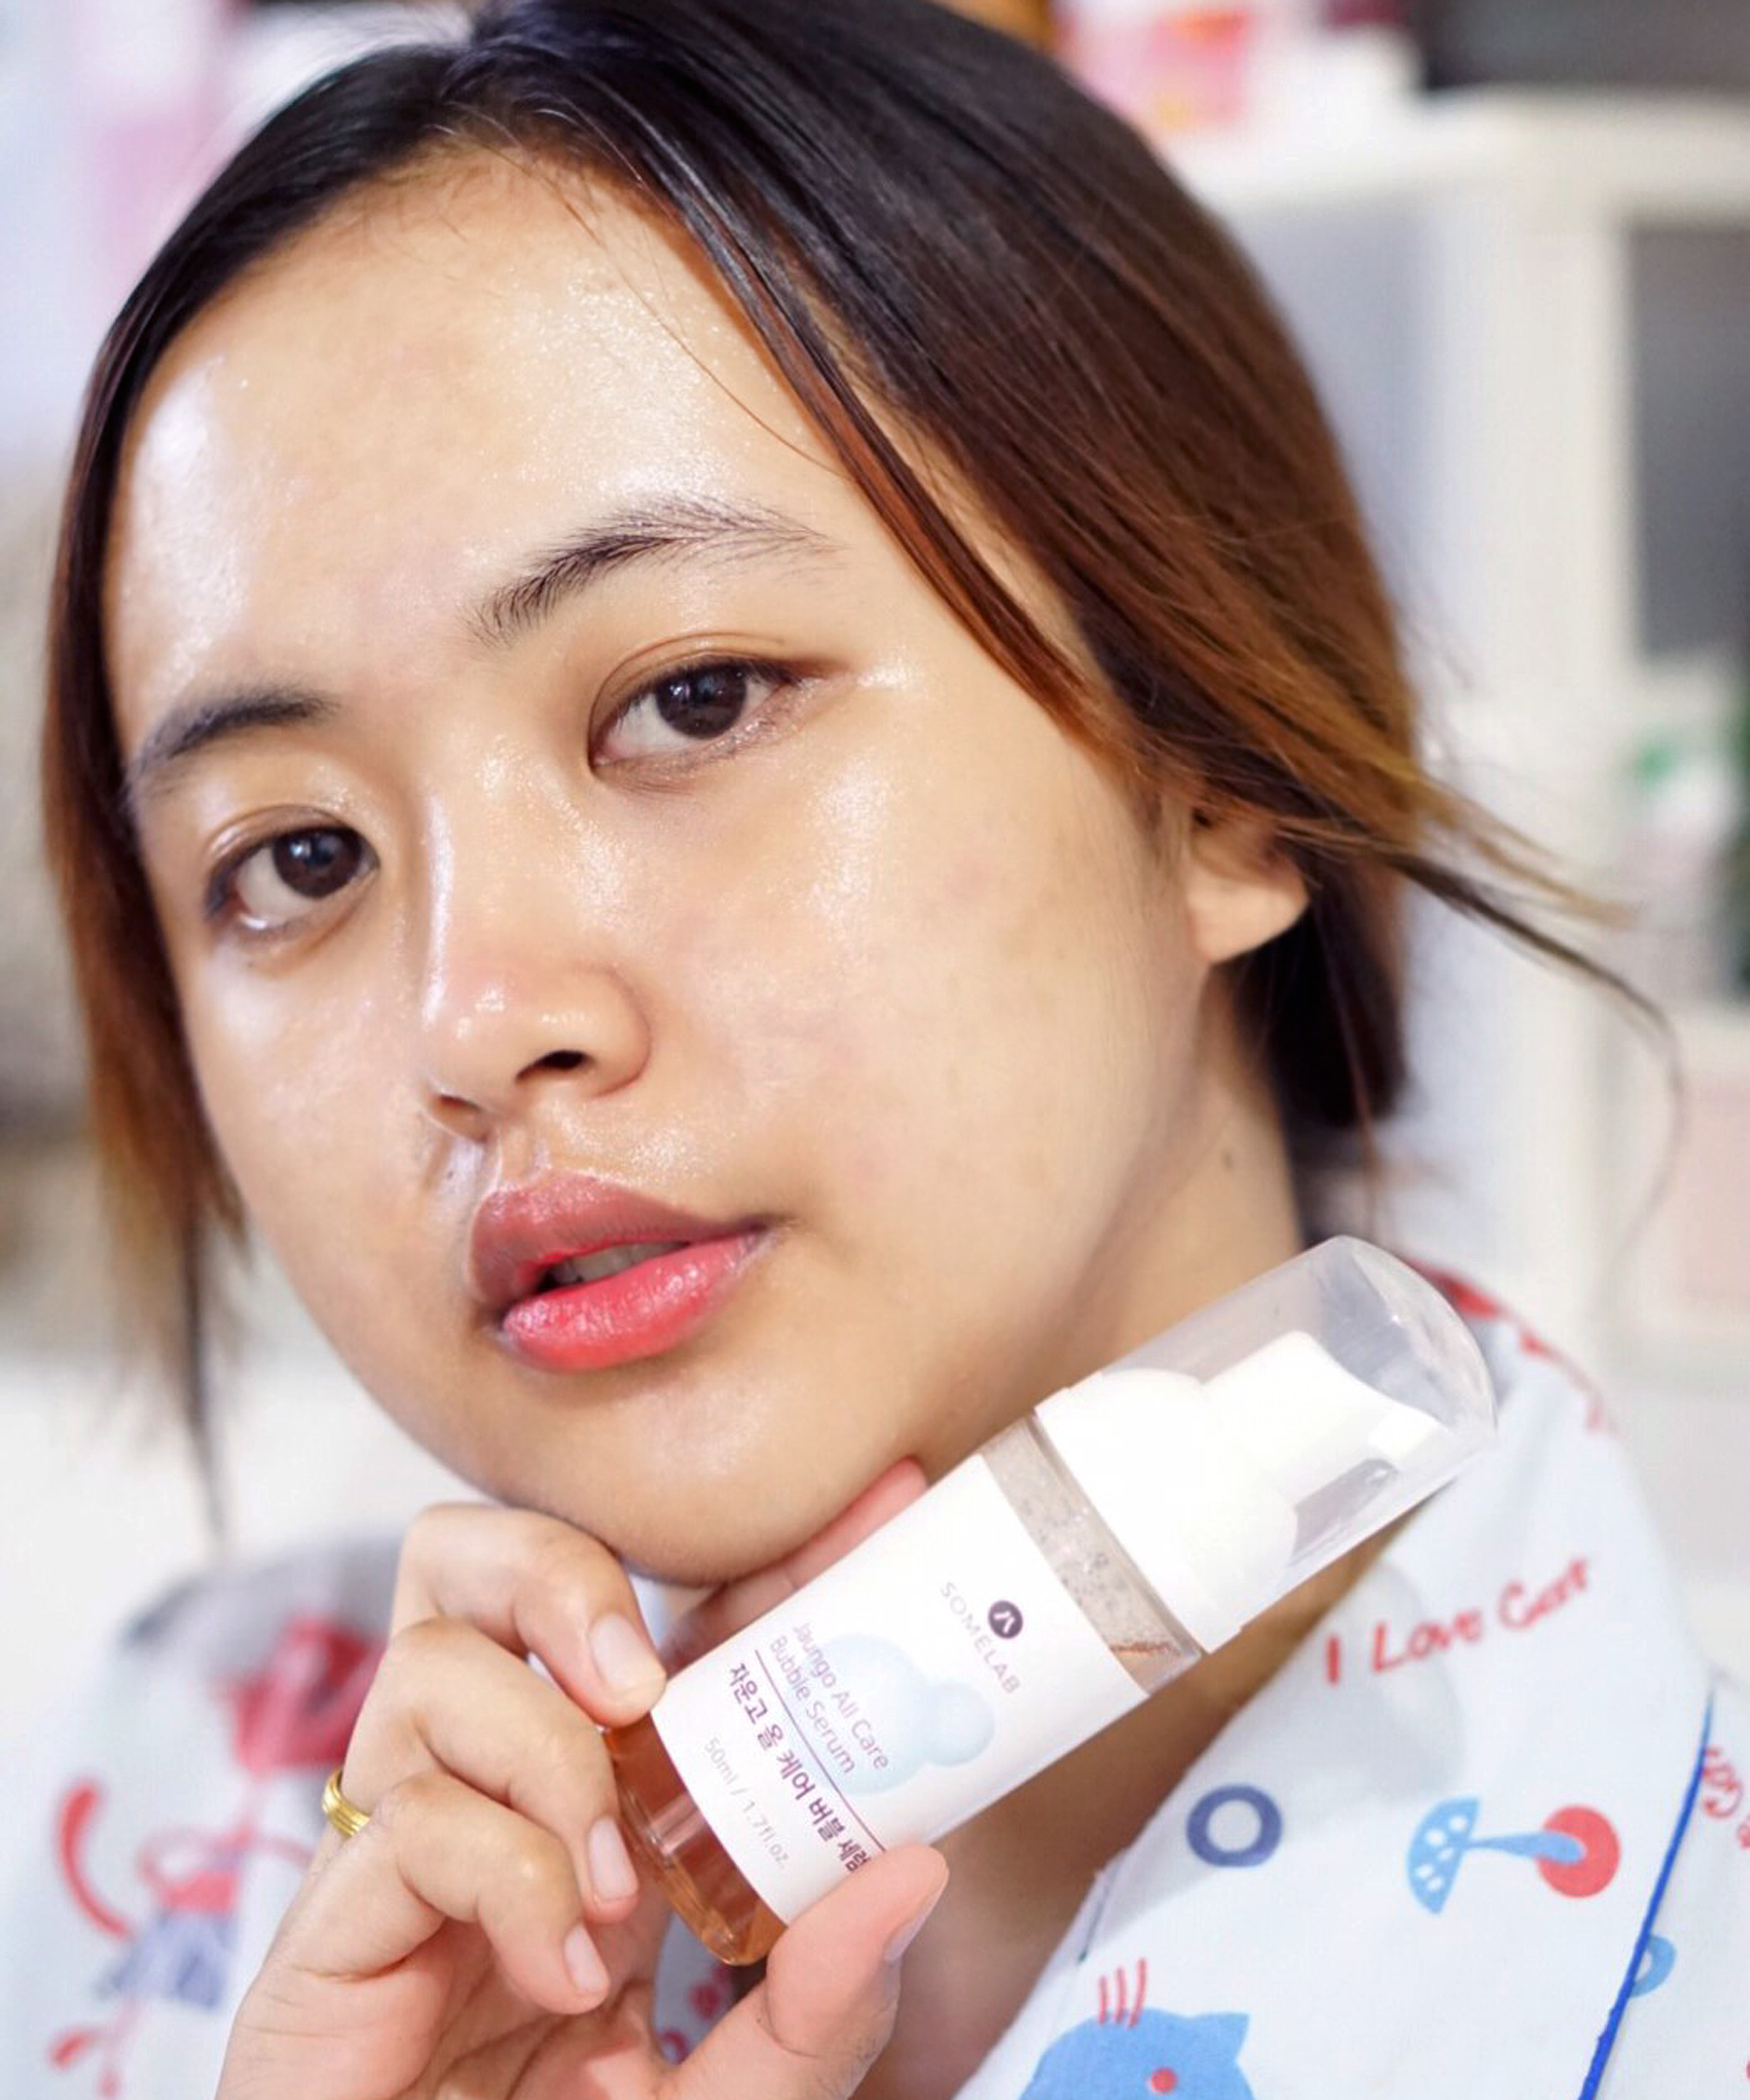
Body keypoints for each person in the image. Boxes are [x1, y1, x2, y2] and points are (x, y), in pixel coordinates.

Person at [11, 1, 1744, 2094]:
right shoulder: (154, 1827)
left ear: (1219, 780)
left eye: (694, 702)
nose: (476, 1018)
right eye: (297, 859)